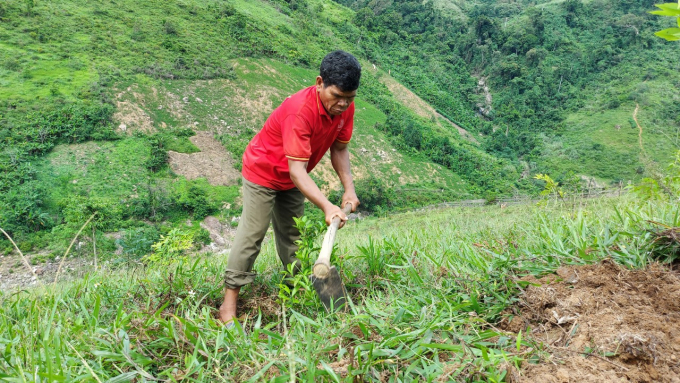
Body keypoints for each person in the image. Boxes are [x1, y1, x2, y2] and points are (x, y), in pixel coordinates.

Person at [219, 50, 361, 324]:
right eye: (337, 97)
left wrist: (349, 189)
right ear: (319, 83)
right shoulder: (299, 111)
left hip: (296, 175)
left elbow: (340, 149)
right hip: (263, 171)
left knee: (293, 237)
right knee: (252, 235)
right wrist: (327, 205)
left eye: (349, 98)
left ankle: (294, 291)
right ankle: (228, 306)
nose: (343, 104)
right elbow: (296, 170)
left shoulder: (345, 108)